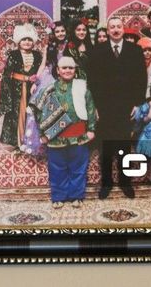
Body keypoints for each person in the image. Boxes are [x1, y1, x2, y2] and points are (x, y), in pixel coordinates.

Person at [87, 16, 147, 199]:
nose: (115, 30)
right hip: (104, 106)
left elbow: (141, 78)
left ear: (123, 29)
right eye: (112, 27)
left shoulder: (135, 50)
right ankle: (106, 183)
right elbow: (92, 80)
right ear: (107, 30)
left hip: (126, 106)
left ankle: (125, 182)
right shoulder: (97, 50)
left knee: (124, 145)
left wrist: (137, 103)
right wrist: (95, 106)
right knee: (106, 146)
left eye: (118, 27)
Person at [30, 56, 97, 209]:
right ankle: (58, 196)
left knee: (78, 169)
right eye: (64, 68)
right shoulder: (48, 89)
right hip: (55, 137)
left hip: (79, 136)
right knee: (57, 169)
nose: (67, 70)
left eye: (70, 68)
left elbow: (91, 109)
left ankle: (76, 196)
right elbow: (37, 111)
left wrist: (91, 129)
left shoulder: (83, 88)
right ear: (58, 71)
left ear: (75, 70)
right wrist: (42, 133)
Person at [0, 24, 45, 150]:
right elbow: (8, 74)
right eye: (24, 39)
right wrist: (7, 93)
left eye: (29, 39)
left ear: (33, 41)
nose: (27, 42)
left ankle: (30, 141)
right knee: (17, 114)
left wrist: (36, 82)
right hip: (16, 90)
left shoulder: (37, 55)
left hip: (32, 89)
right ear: (18, 41)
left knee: (31, 113)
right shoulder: (13, 54)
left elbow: (41, 71)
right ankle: (18, 142)